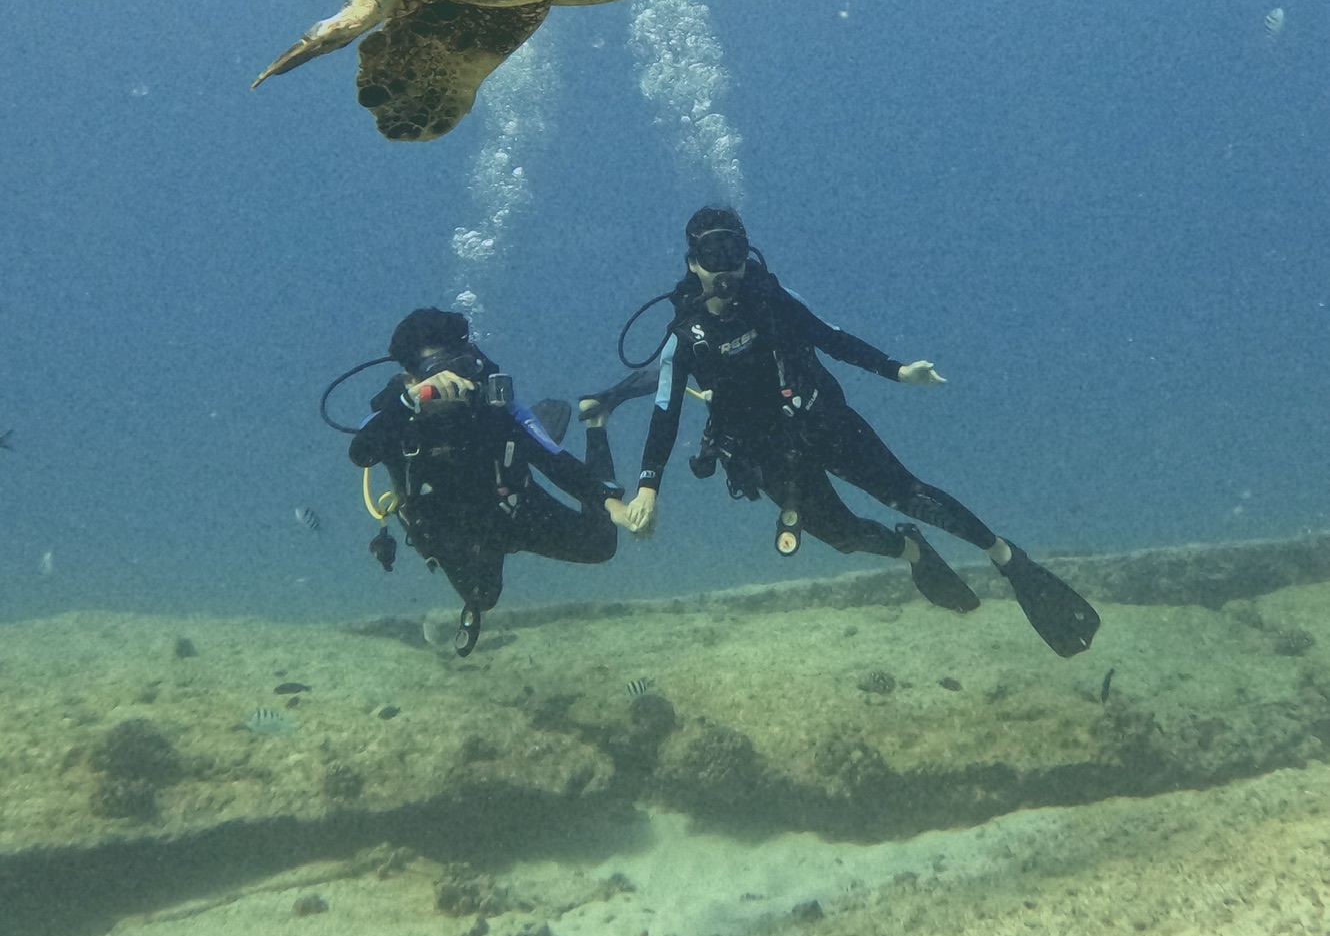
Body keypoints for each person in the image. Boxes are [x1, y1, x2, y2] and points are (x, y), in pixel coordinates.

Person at [613, 210, 1099, 659]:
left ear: (747, 256)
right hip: (765, 456)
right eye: (712, 256)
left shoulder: (774, 300)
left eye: (734, 254)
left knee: (909, 494)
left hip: (824, 422)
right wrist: (648, 488)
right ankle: (911, 550)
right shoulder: (684, 334)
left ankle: (1006, 557)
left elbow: (833, 338)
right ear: (692, 263)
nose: (726, 269)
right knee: (845, 537)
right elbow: (665, 411)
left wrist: (899, 370)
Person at [350, 306, 635, 656]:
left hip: (514, 508)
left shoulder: (491, 403)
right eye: (439, 372)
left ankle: (596, 419)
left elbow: (554, 462)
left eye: (461, 366)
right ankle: (477, 597)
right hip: (448, 529)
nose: (456, 383)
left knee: (602, 545)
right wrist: (411, 404)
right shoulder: (396, 414)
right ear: (410, 377)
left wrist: (612, 504)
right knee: (483, 597)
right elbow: (361, 452)